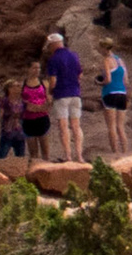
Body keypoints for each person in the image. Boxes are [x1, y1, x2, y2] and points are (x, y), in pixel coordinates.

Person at [43, 33, 84, 162]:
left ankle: (68, 156)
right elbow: (80, 74)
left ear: (53, 45)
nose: (49, 48)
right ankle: (79, 155)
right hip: (75, 93)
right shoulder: (73, 55)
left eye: (50, 46)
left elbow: (53, 80)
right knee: (76, 126)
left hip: (61, 94)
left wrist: (50, 91)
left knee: (63, 126)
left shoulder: (54, 59)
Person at [97, 37, 130, 155]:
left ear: (104, 48)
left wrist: (100, 82)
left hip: (110, 93)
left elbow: (108, 79)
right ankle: (125, 152)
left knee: (111, 126)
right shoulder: (120, 60)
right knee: (120, 126)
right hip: (122, 93)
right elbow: (126, 80)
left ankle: (115, 152)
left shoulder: (106, 60)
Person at [19, 63, 52, 160]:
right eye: (34, 68)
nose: (37, 70)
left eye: (39, 68)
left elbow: (49, 99)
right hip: (28, 119)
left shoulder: (44, 83)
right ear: (28, 69)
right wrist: (28, 105)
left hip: (42, 117)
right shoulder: (22, 84)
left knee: (45, 151)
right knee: (33, 152)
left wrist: (42, 107)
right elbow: (19, 100)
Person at [0, 78, 28, 159]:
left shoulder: (22, 101)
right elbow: (0, 116)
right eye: (14, 86)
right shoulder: (5, 101)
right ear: (9, 89)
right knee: (2, 157)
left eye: (18, 86)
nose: (17, 88)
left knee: (21, 158)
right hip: (7, 133)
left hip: (20, 133)